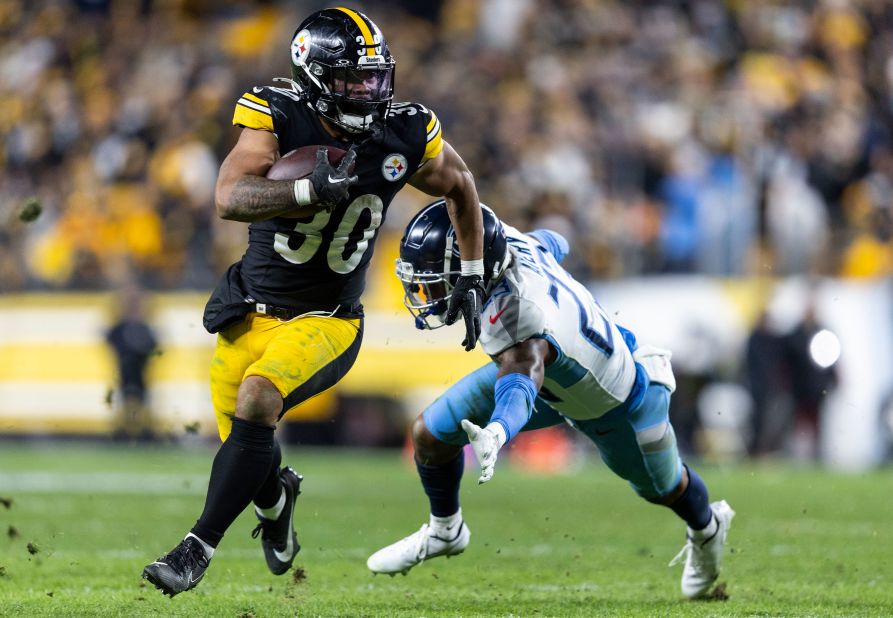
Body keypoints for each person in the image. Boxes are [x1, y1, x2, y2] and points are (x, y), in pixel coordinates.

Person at [143, 8, 486, 597]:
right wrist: (302, 189)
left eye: (375, 78)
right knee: (248, 452)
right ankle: (277, 506)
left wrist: (474, 271)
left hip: (328, 320)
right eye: (353, 79)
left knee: (258, 401)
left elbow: (460, 184)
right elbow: (228, 196)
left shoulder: (404, 130)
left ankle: (195, 548)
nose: (368, 91)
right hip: (250, 311)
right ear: (315, 75)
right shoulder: (278, 113)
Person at [367, 201, 735, 599]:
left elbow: (521, 381)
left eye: (436, 279)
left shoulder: (519, 316)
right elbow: (552, 242)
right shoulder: (505, 244)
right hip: (561, 380)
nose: (426, 291)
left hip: (618, 402)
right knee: (430, 432)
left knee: (662, 487)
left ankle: (707, 528)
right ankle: (446, 531)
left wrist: (499, 429)